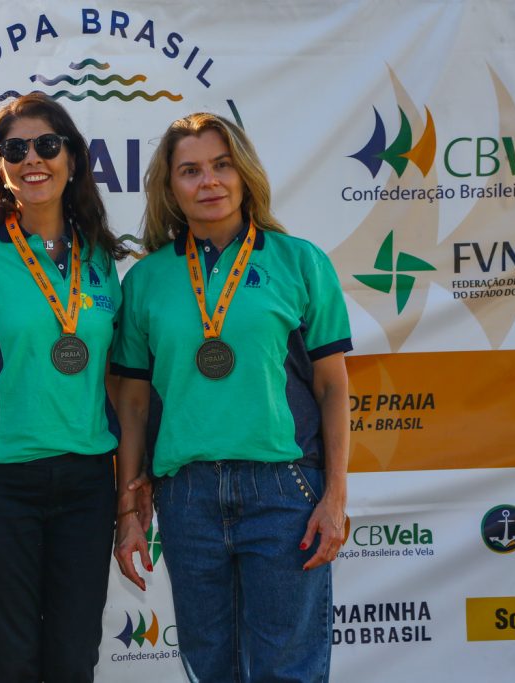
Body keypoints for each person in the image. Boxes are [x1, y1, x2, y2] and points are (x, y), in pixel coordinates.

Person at [112, 112, 351, 682]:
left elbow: (332, 386)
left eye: (222, 166)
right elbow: (135, 405)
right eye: (190, 171)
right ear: (170, 188)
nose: (209, 182)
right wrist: (127, 509)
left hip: (285, 490)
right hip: (187, 497)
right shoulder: (145, 281)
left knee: (286, 672)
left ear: (244, 174)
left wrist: (336, 494)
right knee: (209, 671)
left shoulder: (300, 262)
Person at [0, 92, 126, 682]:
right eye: (15, 149)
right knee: (13, 663)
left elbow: (117, 379)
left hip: (89, 482)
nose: (32, 159)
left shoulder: (100, 257)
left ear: (71, 157)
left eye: (46, 144)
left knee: (73, 660)